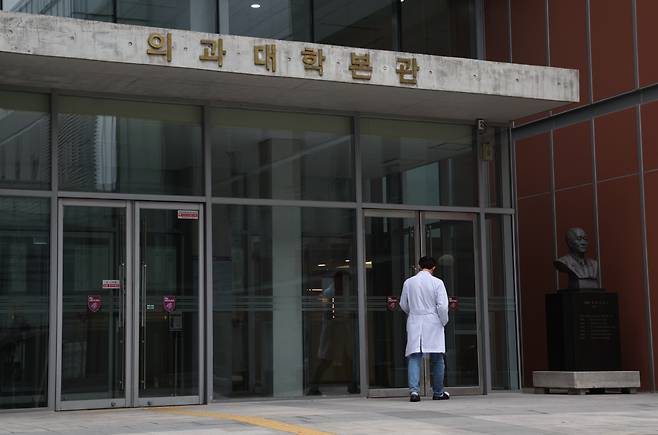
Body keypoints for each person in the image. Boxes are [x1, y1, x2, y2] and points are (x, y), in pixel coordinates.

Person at [399, 256, 450, 402]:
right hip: (433, 321)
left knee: (415, 356)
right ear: (434, 268)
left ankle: (414, 392)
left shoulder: (409, 282)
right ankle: (438, 392)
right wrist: (443, 321)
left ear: (419, 266)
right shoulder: (437, 283)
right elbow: (442, 306)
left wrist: (413, 312)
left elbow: (403, 304)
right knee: (438, 358)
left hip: (415, 320)